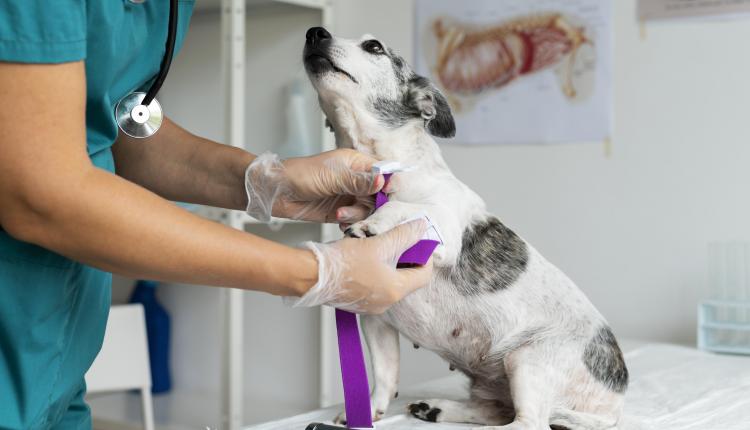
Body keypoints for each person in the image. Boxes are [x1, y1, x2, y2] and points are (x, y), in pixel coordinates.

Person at [0, 2, 432, 429]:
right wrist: (317, 273)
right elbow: (42, 192)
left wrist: (268, 183)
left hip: (54, 374)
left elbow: (115, 124)